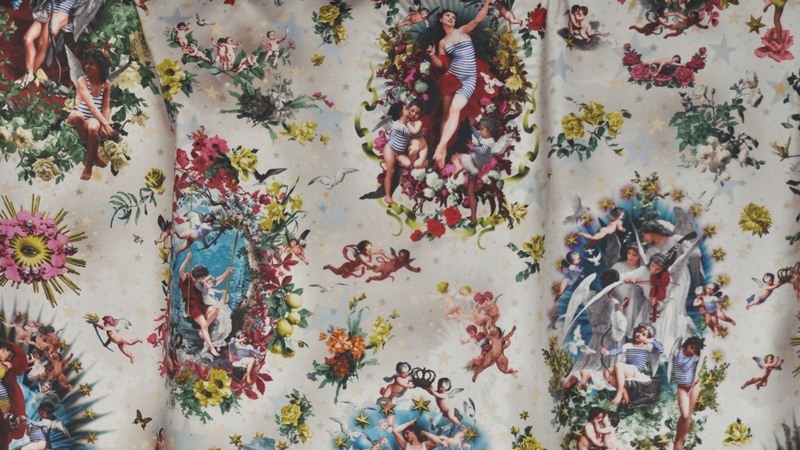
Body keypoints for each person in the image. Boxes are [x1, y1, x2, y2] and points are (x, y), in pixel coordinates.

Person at [427, 1, 491, 169]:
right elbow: (442, 64)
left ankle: (440, 148)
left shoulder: (462, 31)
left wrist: (487, 3)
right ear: (441, 19)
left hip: (469, 78)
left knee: (455, 109)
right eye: (447, 15)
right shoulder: (442, 42)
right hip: (452, 77)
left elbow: (477, 20)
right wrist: (432, 56)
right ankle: (442, 151)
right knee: (447, 113)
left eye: (453, 17)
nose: (451, 18)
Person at [66, 49, 114, 180]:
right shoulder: (82, 81)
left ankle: (88, 165)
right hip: (78, 114)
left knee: (93, 127)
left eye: (92, 63)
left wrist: (103, 125)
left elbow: (105, 108)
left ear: (100, 66)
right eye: (86, 63)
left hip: (92, 118)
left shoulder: (106, 85)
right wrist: (106, 125)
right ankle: (94, 154)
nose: (87, 66)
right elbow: (92, 106)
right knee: (78, 116)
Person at [178, 251, 232, 357]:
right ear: (199, 275)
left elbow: (214, 282)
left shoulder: (201, 282)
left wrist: (226, 273)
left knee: (216, 309)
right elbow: (180, 271)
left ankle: (202, 330)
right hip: (192, 306)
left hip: (201, 304)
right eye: (203, 277)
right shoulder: (187, 278)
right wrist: (187, 259)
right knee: (204, 326)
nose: (204, 279)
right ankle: (211, 348)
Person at [599, 323, 663, 405]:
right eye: (639, 332)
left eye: (643, 334)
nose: (639, 335)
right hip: (627, 369)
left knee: (618, 366)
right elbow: (617, 351)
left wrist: (652, 341)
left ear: (647, 338)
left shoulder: (647, 347)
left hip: (635, 371)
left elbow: (661, 349)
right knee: (606, 372)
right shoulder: (628, 345)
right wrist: (607, 352)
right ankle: (623, 391)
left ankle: (619, 394)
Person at [17, 0, 77, 85]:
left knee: (42, 44)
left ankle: (28, 76)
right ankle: (29, 74)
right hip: (45, 12)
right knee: (27, 38)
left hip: (60, 14)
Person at [452, 117, 500, 222]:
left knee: (455, 156)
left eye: (482, 129)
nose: (480, 131)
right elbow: (478, 136)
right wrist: (472, 127)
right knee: (470, 192)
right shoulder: (487, 139)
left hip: (472, 161)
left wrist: (472, 147)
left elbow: (483, 150)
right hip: (475, 170)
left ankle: (459, 167)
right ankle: (473, 217)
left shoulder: (489, 142)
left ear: (489, 131)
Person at [382, 100, 425, 205]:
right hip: (390, 150)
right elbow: (413, 133)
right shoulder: (399, 125)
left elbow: (415, 133)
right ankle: (387, 196)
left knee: (409, 164)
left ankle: (399, 166)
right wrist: (420, 131)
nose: (409, 111)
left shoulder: (407, 124)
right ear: (400, 113)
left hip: (400, 153)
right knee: (390, 172)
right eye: (407, 109)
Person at [673, 335, 704, 450]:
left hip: (693, 386)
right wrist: (693, 359)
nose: (692, 351)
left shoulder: (694, 357)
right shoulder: (678, 352)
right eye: (691, 347)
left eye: (695, 350)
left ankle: (679, 442)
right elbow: (683, 367)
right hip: (682, 387)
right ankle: (678, 439)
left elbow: (697, 365)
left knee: (688, 416)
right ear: (686, 345)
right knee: (685, 415)